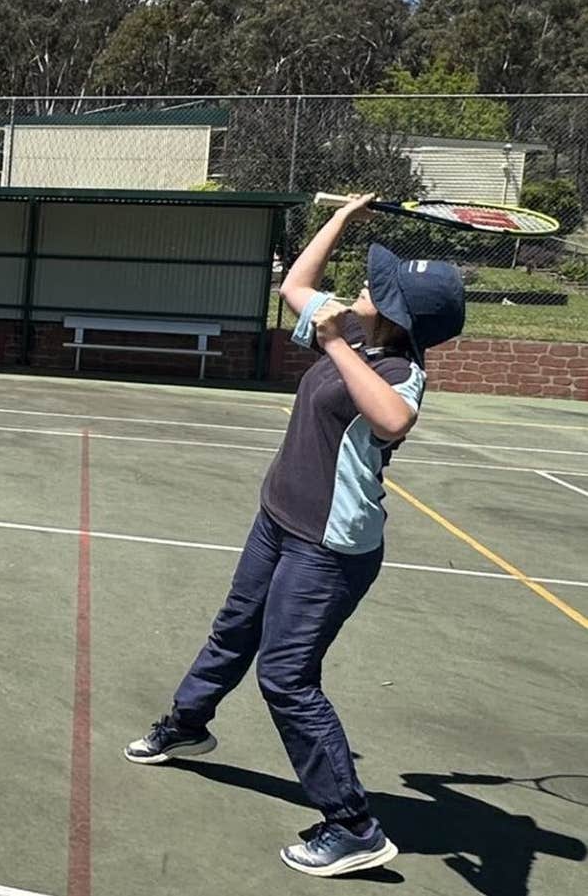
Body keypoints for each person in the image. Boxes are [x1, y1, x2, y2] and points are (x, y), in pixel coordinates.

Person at [123, 193, 466, 878]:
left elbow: (393, 420)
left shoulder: (400, 371)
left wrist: (337, 340)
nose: (369, 282)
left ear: (401, 317)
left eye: (384, 284)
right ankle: (189, 723)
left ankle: (354, 823)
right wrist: (342, 221)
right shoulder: (359, 332)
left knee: (286, 677)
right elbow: (294, 286)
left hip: (329, 549)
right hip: (279, 517)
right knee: (234, 627)